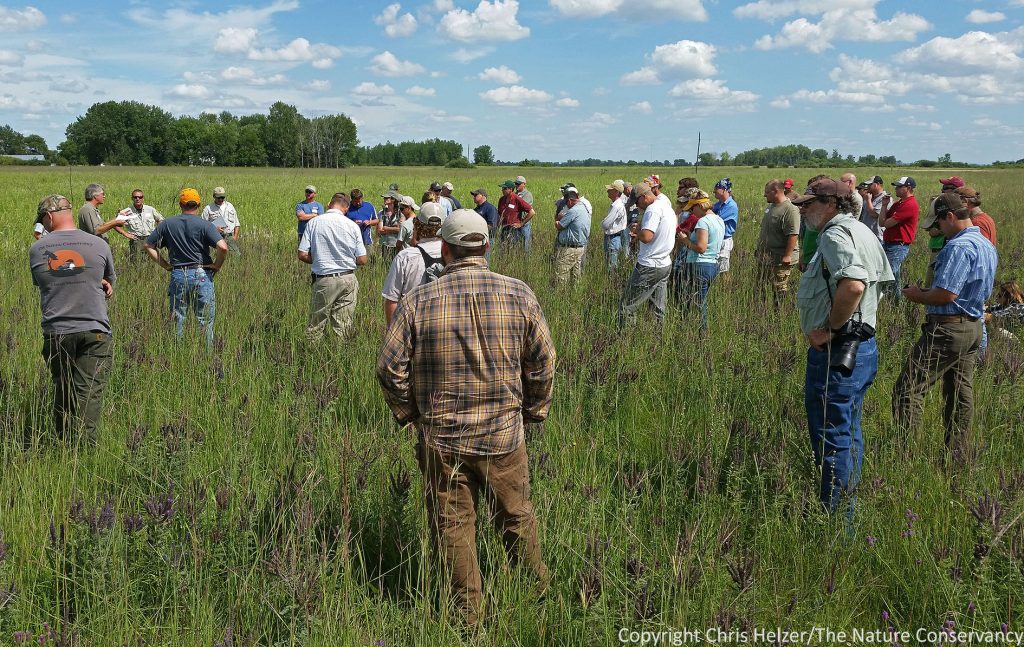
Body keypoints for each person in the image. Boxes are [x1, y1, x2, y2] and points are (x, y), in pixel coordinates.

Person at [376, 209, 555, 627]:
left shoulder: (420, 299)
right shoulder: (519, 293)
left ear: (445, 249)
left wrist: (412, 414)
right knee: (516, 516)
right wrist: (532, 410)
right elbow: (544, 362)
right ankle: (538, 597)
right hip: (504, 435)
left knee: (452, 527)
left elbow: (388, 367)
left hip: (443, 439)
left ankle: (468, 617)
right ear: (487, 245)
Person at [793, 178, 894, 519]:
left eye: (809, 203)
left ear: (832, 203)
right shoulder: (861, 230)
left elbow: (853, 285)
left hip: (839, 352)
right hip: (862, 348)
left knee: (832, 436)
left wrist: (831, 331)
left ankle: (836, 521)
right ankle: (846, 507)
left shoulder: (835, 235)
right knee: (848, 430)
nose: (803, 209)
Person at [892, 192, 997, 451]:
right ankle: (956, 455)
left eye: (938, 224)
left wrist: (917, 295)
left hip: (948, 329)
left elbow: (946, 294)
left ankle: (906, 456)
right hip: (973, 326)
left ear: (950, 217)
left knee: (908, 389)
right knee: (960, 393)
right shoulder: (985, 244)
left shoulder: (958, 247)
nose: (937, 230)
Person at [30, 194, 116, 442]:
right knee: (90, 393)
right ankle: (86, 447)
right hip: (95, 329)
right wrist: (98, 281)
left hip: (57, 330)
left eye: (43, 220)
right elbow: (109, 281)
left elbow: (46, 283)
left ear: (48, 217)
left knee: (63, 388)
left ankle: (63, 441)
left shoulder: (37, 250)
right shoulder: (99, 245)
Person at [144, 188, 228, 351]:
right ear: (198, 204)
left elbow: (148, 245)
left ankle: (178, 355)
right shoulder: (206, 225)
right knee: (204, 321)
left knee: (178, 319)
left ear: (180, 204)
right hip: (202, 273)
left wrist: (166, 265)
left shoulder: (167, 223)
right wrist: (217, 266)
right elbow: (223, 248)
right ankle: (206, 358)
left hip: (178, 273)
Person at [297, 192, 368, 340]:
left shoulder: (314, 222)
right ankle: (341, 356)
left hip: (324, 278)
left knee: (316, 325)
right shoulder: (352, 226)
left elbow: (302, 254)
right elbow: (362, 259)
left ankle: (311, 358)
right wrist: (344, 260)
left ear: (329, 204)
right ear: (346, 208)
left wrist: (320, 260)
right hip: (348, 278)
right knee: (343, 325)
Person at [618, 181, 675, 328]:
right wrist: (642, 228)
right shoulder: (666, 207)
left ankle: (625, 341)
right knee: (658, 308)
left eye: (637, 201)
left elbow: (647, 237)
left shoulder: (652, 210)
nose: (637, 206)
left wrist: (637, 232)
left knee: (627, 306)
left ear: (644, 197)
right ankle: (657, 340)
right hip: (665, 263)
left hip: (649, 265)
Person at [381, 201, 444, 324]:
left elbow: (392, 300)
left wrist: (393, 333)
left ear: (418, 226)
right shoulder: (451, 253)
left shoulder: (406, 257)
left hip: (413, 325)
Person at [676, 189, 724, 328]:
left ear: (698, 205)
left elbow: (701, 248)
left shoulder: (703, 222)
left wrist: (685, 241)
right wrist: (691, 234)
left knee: (698, 303)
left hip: (699, 266)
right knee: (699, 300)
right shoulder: (718, 220)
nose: (691, 212)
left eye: (692, 208)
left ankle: (700, 334)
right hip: (712, 265)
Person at [756, 179, 801, 303]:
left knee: (779, 288)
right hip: (767, 256)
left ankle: (778, 313)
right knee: (761, 286)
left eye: (767, 192)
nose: (764, 195)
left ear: (776, 191)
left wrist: (787, 256)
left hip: (780, 259)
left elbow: (793, 234)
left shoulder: (790, 209)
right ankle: (762, 310)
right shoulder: (771, 206)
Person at [919, 177, 963, 287]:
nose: (942, 190)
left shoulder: (958, 208)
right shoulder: (940, 202)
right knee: (930, 282)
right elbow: (929, 226)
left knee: (937, 284)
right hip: (936, 246)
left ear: (956, 189)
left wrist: (939, 231)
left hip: (945, 248)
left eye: (946, 187)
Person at [879, 176, 919, 298]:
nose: (896, 189)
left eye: (899, 186)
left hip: (898, 245)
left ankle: (889, 300)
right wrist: (884, 205)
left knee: (889, 274)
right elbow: (881, 223)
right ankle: (895, 301)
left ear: (908, 188)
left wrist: (886, 220)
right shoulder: (898, 204)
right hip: (889, 243)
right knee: (893, 276)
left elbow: (887, 223)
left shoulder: (910, 204)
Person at [553, 186, 591, 286]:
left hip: (570, 249)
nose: (566, 205)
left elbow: (559, 226)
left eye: (566, 203)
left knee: (561, 274)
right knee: (576, 276)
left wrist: (557, 221)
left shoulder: (573, 211)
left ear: (570, 200)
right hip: (580, 248)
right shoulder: (583, 208)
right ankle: (575, 294)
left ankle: (561, 296)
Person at [119, 188, 165, 261]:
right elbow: (114, 224)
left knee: (152, 262)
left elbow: (161, 220)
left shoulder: (150, 209)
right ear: (132, 198)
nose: (138, 199)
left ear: (143, 198)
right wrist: (125, 234)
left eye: (140, 197)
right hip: (137, 241)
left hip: (150, 239)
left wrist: (158, 233)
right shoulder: (126, 211)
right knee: (136, 263)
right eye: (135, 197)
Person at [497, 179, 535, 254]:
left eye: (504, 188)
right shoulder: (502, 199)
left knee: (514, 252)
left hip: (514, 230)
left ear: (511, 189)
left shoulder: (517, 199)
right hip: (504, 229)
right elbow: (499, 214)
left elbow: (532, 212)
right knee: (503, 251)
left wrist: (521, 224)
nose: (502, 190)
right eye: (502, 188)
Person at [201, 187, 241, 256]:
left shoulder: (230, 206)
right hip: (215, 237)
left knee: (236, 256)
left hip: (229, 236)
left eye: (222, 197)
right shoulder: (208, 208)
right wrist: (214, 229)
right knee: (217, 256)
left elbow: (236, 223)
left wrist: (235, 237)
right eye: (218, 198)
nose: (221, 199)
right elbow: (202, 225)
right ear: (214, 196)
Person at [711, 178, 738, 274]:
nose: (714, 191)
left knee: (723, 270)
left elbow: (716, 220)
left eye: (716, 188)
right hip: (717, 239)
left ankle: (726, 286)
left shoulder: (731, 205)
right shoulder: (719, 204)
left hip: (724, 240)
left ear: (724, 190)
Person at [601, 180, 627, 270]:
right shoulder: (617, 204)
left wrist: (603, 222)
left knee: (611, 265)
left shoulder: (616, 206)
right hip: (614, 237)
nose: (607, 191)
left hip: (612, 238)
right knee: (611, 263)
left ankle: (612, 282)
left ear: (616, 192)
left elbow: (605, 224)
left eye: (610, 190)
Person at [347, 188, 379, 255]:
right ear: (351, 199)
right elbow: (341, 222)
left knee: (370, 259)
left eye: (360, 201)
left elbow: (377, 220)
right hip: (351, 241)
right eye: (356, 201)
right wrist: (353, 223)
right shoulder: (347, 207)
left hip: (367, 240)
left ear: (362, 198)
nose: (358, 203)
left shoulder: (369, 206)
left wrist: (369, 222)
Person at [376, 190, 404, 265]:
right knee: (386, 264)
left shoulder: (400, 213)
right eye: (384, 198)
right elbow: (380, 230)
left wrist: (387, 228)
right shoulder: (382, 212)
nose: (384, 199)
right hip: (385, 244)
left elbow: (400, 229)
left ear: (393, 200)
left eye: (386, 198)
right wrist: (394, 228)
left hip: (396, 244)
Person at [859, 175, 887, 242]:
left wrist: (868, 200)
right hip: (865, 235)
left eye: (870, 184)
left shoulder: (885, 199)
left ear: (877, 184)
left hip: (876, 237)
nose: (868, 187)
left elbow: (874, 214)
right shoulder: (869, 196)